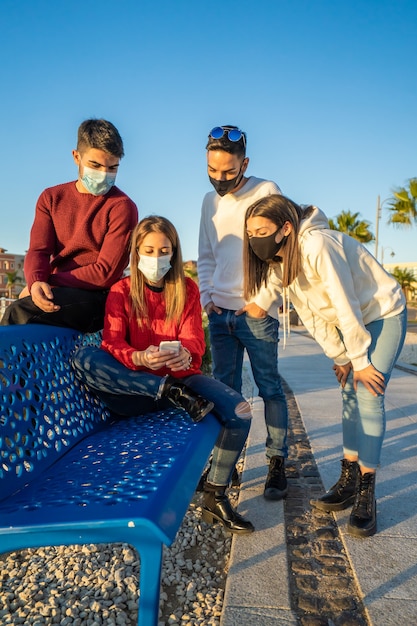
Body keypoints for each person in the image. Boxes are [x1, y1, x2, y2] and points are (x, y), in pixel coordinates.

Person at [71, 215, 255, 535]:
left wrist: (186, 353)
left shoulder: (187, 288)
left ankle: (215, 494)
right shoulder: (122, 290)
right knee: (86, 357)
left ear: (174, 252)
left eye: (164, 250)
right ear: (137, 252)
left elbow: (195, 339)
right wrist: (139, 356)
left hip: (182, 385)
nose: (157, 258)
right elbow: (112, 342)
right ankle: (164, 388)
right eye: (149, 250)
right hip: (134, 390)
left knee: (240, 411)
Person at [244, 194, 407, 538]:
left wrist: (360, 359)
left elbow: (343, 302)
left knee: (367, 392)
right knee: (349, 395)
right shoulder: (280, 261)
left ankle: (367, 492)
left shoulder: (318, 244)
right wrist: (340, 356)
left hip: (382, 313)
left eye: (261, 230)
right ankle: (348, 480)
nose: (254, 238)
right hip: (354, 323)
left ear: (285, 228)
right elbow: (311, 315)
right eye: (250, 232)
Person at [197, 125, 289, 500]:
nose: (220, 179)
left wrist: (263, 301)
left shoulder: (267, 191)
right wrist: (207, 298)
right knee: (226, 393)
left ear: (244, 163)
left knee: (269, 389)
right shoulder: (208, 202)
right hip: (220, 315)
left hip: (256, 314)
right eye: (212, 171)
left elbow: (285, 249)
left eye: (229, 172)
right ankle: (226, 466)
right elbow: (206, 255)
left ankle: (276, 464)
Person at [1, 118, 138, 332]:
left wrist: (47, 281)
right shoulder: (51, 198)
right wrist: (36, 282)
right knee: (21, 312)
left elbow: (105, 273)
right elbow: (38, 250)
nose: (104, 174)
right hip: (59, 292)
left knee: (17, 313)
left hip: (100, 298)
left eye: (112, 167)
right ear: (76, 157)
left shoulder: (122, 207)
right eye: (95, 165)